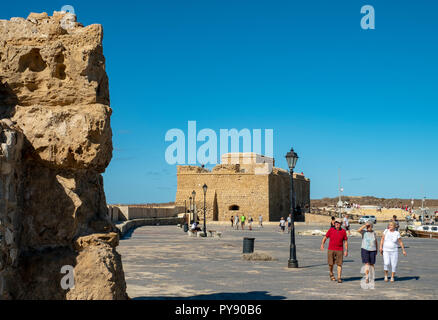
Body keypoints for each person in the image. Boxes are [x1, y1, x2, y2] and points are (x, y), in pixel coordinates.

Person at [320, 218, 348, 283]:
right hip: (331, 249)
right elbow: (325, 237)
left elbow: (345, 241)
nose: (336, 224)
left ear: (340, 224)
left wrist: (346, 250)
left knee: (339, 264)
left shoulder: (343, 231)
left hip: (340, 250)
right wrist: (322, 244)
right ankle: (331, 273)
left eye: (338, 223)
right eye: (336, 223)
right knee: (331, 264)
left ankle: (339, 278)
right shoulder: (331, 230)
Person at [358, 221, 378, 287]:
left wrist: (377, 250)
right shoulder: (364, 232)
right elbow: (358, 230)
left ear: (372, 226)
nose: (368, 227)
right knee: (367, 263)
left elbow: (376, 242)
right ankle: (367, 277)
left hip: (373, 249)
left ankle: (371, 276)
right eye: (367, 226)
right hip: (365, 249)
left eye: (369, 226)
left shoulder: (374, 233)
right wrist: (365, 225)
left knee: (372, 264)